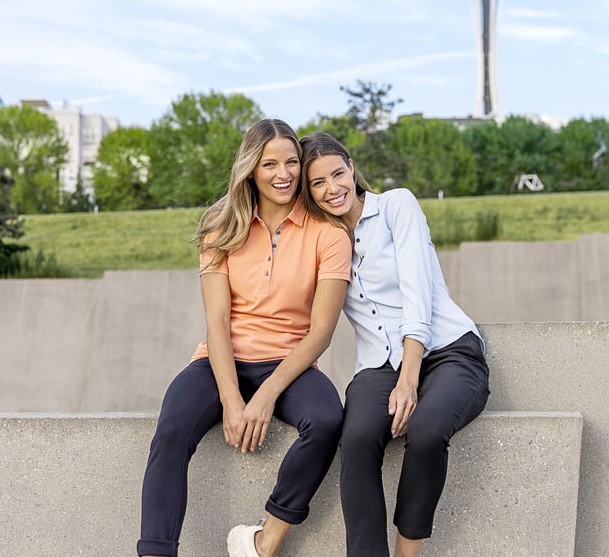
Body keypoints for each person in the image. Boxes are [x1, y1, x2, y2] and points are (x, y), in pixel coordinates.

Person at [137, 120, 351, 557]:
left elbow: (321, 333)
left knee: (328, 418)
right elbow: (217, 321)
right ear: (251, 169)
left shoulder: (329, 234)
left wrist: (267, 394)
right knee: (172, 430)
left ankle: (264, 536)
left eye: (292, 162)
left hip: (290, 365)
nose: (283, 174)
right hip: (220, 361)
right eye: (270, 163)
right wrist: (233, 400)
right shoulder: (220, 226)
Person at [299, 132, 490, 557]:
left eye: (337, 173)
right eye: (318, 183)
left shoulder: (396, 205)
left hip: (447, 351)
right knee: (357, 438)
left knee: (425, 430)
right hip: (376, 366)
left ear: (351, 167)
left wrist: (409, 379)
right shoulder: (321, 241)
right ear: (308, 192)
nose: (333, 188)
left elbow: (416, 295)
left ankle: (405, 554)